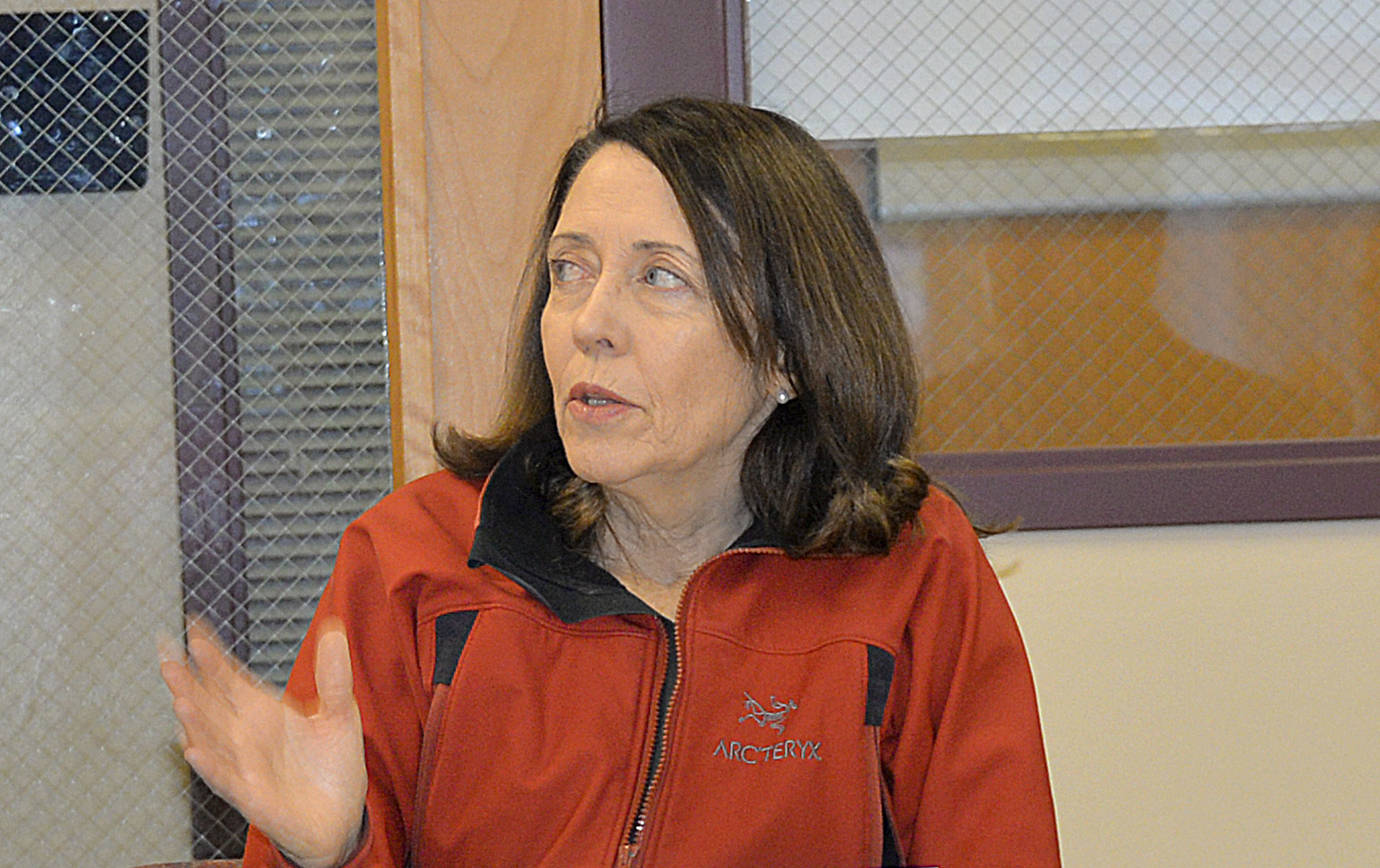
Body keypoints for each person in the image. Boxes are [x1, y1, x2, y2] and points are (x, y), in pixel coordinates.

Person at [160, 97, 1060, 867]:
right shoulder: (413, 562)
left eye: (660, 278)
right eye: (569, 271)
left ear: (789, 350)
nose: (590, 323)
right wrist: (332, 850)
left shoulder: (909, 570)